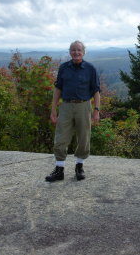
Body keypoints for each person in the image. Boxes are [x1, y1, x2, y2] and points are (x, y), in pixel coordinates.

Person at [45, 40, 100, 182]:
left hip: (84, 106)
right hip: (66, 106)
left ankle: (79, 167)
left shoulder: (90, 68)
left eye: (79, 50)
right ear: (70, 52)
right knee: (61, 137)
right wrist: (53, 110)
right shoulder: (63, 68)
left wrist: (96, 110)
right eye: (73, 50)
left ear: (83, 52)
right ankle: (59, 170)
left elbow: (96, 91)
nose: (76, 52)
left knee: (83, 137)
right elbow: (58, 89)